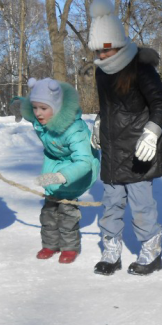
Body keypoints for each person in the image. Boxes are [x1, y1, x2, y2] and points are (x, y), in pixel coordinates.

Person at [88, 0, 162, 276]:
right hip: (112, 151)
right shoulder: (102, 72)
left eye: (104, 51)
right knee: (111, 204)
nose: (100, 57)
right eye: (96, 51)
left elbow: (161, 104)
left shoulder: (140, 68)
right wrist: (100, 122)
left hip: (138, 150)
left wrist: (152, 132)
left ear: (117, 45)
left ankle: (151, 251)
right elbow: (108, 106)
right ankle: (111, 252)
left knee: (141, 206)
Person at [10, 77, 100, 264]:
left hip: (79, 170)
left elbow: (84, 161)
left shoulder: (74, 130)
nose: (38, 113)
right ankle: (50, 244)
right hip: (54, 165)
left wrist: (62, 176)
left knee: (67, 210)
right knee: (49, 210)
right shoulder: (40, 118)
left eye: (43, 109)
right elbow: (29, 109)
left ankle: (69, 247)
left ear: (57, 108)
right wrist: (19, 105)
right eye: (35, 108)